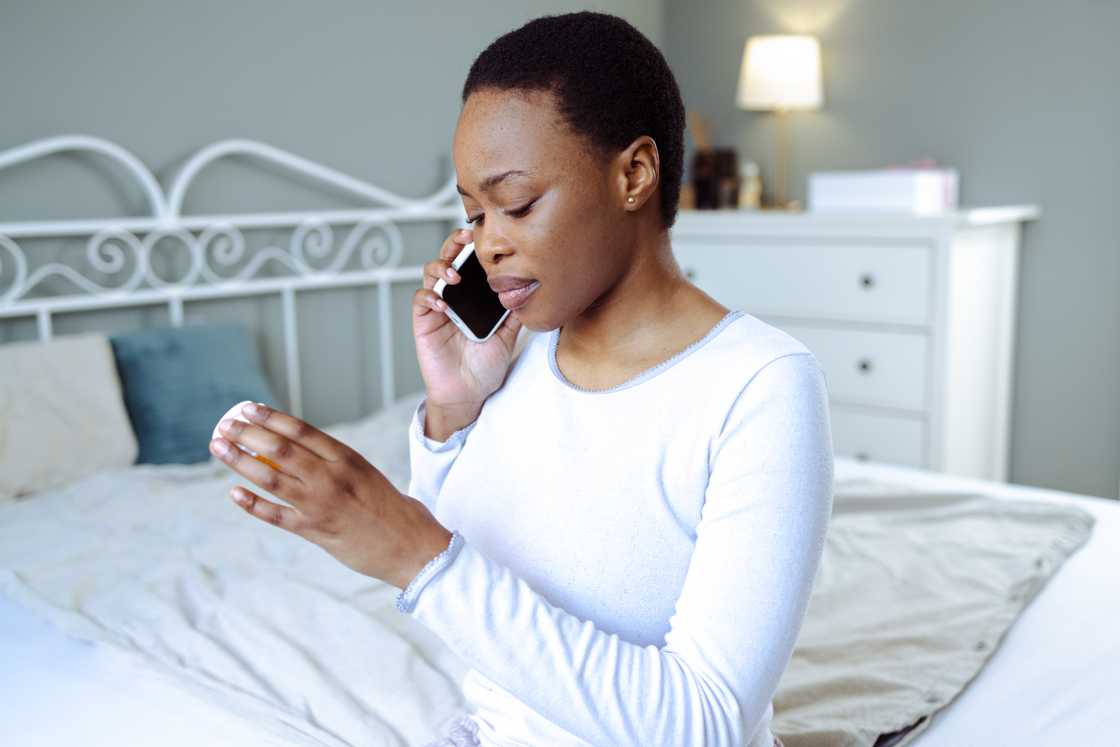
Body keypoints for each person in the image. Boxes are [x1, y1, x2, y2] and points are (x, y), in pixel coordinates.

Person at [402, 11, 832, 747]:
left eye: (517, 204)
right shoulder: (514, 357)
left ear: (634, 173)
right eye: (473, 213)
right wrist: (452, 410)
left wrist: (404, 550)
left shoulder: (761, 385)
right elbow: (459, 587)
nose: (488, 242)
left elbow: (705, 723)